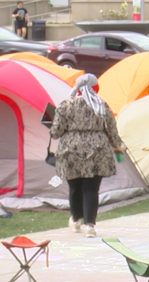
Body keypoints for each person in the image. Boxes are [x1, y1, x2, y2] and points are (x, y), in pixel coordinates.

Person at [50, 74, 124, 238]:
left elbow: (56, 132)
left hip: (70, 149)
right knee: (91, 189)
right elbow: (111, 129)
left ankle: (76, 220)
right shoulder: (101, 105)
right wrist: (118, 146)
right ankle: (90, 225)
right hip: (97, 150)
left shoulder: (66, 105)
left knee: (74, 187)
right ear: (94, 87)